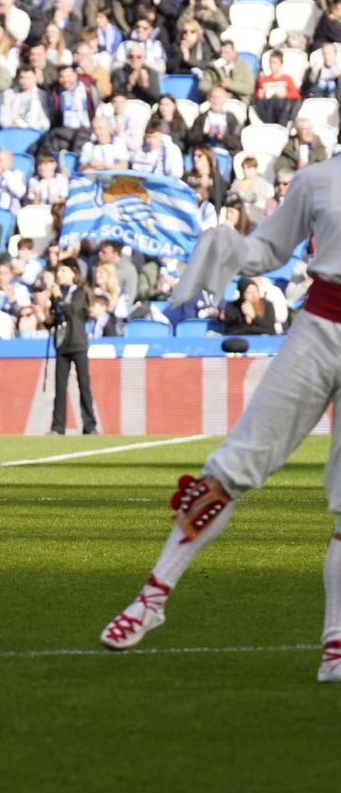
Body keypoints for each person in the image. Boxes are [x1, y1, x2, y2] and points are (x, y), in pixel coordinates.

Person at [100, 156, 341, 681]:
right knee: (233, 466)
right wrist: (228, 243)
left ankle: (335, 646)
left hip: (322, 325)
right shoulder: (317, 179)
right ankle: (152, 597)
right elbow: (269, 250)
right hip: (320, 324)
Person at [47, 262, 98, 436]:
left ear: (73, 272)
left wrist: (59, 298)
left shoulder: (79, 292)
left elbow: (70, 311)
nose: (59, 274)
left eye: (63, 270)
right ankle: (58, 426)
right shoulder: (58, 293)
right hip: (62, 344)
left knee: (84, 384)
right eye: (58, 271)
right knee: (60, 387)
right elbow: (55, 316)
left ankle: (90, 425)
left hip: (78, 343)